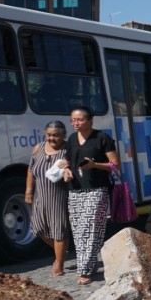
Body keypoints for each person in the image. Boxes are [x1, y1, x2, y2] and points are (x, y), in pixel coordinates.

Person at [66, 106, 121, 285]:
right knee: (78, 231)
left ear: (90, 120)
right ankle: (89, 263)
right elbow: (67, 161)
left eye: (80, 120)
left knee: (91, 229)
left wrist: (95, 165)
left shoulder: (102, 138)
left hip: (97, 189)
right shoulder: (72, 139)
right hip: (75, 190)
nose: (76, 123)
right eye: (73, 120)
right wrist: (66, 170)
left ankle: (85, 270)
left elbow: (115, 165)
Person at [24, 120, 72, 276]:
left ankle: (59, 264)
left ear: (63, 135)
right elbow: (31, 170)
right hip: (41, 196)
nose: (51, 139)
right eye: (49, 135)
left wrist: (68, 167)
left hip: (59, 196)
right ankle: (62, 249)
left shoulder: (68, 150)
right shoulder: (38, 148)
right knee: (38, 229)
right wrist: (28, 191)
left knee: (59, 230)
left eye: (56, 135)